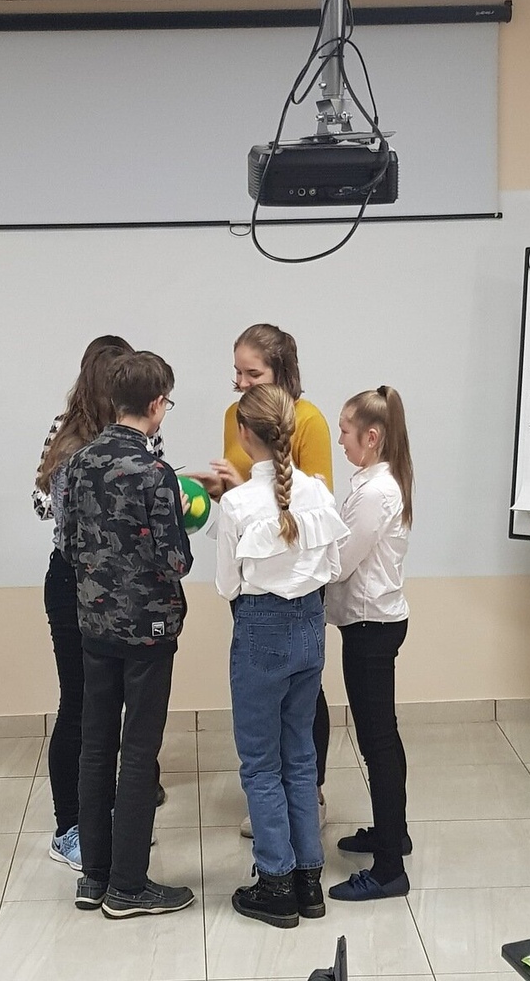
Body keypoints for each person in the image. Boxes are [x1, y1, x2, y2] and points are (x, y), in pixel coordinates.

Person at [62, 351, 196, 919]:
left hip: (94, 627)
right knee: (139, 752)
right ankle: (129, 886)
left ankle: (93, 876)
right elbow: (176, 560)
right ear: (157, 405)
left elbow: (68, 544)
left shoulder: (78, 463)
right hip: (148, 633)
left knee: (96, 748)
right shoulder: (155, 474)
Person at [215, 384, 349, 928]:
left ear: (244, 434)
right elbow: (333, 568)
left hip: (260, 630)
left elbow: (227, 585)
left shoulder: (237, 503)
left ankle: (275, 882)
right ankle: (309, 880)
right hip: (310, 631)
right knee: (300, 756)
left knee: (260, 762)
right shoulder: (318, 493)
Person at [193, 323, 334, 836]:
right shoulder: (234, 415)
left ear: (282, 372)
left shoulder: (309, 420)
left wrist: (245, 494)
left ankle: (308, 796)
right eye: (237, 371)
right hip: (253, 580)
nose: (240, 382)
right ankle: (280, 808)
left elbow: (313, 500)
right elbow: (250, 488)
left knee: (301, 698)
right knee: (268, 701)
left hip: (293, 579)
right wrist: (223, 490)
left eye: (252, 373)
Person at [34, 335, 163, 870]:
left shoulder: (141, 435)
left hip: (124, 587)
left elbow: (153, 499)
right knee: (80, 706)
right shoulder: (69, 437)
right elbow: (44, 505)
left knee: (118, 708)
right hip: (76, 582)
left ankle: (114, 817)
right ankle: (70, 828)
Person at [324, 386, 414, 902]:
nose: (339, 440)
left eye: (345, 430)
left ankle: (388, 871)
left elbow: (340, 563)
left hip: (370, 628)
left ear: (372, 436)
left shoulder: (378, 492)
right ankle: (391, 835)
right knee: (381, 737)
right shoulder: (374, 482)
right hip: (371, 623)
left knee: (377, 742)